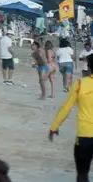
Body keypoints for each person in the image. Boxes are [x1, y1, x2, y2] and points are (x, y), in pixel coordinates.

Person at [50, 53, 93, 181]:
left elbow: (66, 107)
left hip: (85, 135)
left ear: (89, 67)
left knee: (82, 173)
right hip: (85, 135)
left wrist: (54, 126)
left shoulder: (80, 84)